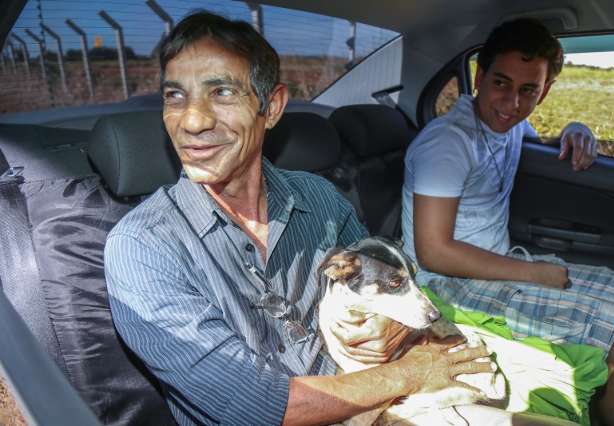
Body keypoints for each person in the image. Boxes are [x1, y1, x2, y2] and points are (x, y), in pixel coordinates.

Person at [104, 11, 497, 426]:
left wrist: (392, 331)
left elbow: (376, 294)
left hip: (375, 402)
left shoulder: (321, 200)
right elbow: (256, 407)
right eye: (174, 96)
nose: (193, 120)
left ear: (271, 107)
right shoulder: (142, 249)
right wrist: (411, 373)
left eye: (221, 93)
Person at [401, 18, 614, 426]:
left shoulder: (507, 124)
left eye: (528, 90)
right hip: (445, 287)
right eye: (501, 83)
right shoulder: (447, 143)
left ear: (544, 91)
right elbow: (433, 251)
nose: (511, 103)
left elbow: (532, 141)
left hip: (498, 264)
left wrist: (575, 130)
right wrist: (534, 274)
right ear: (480, 77)